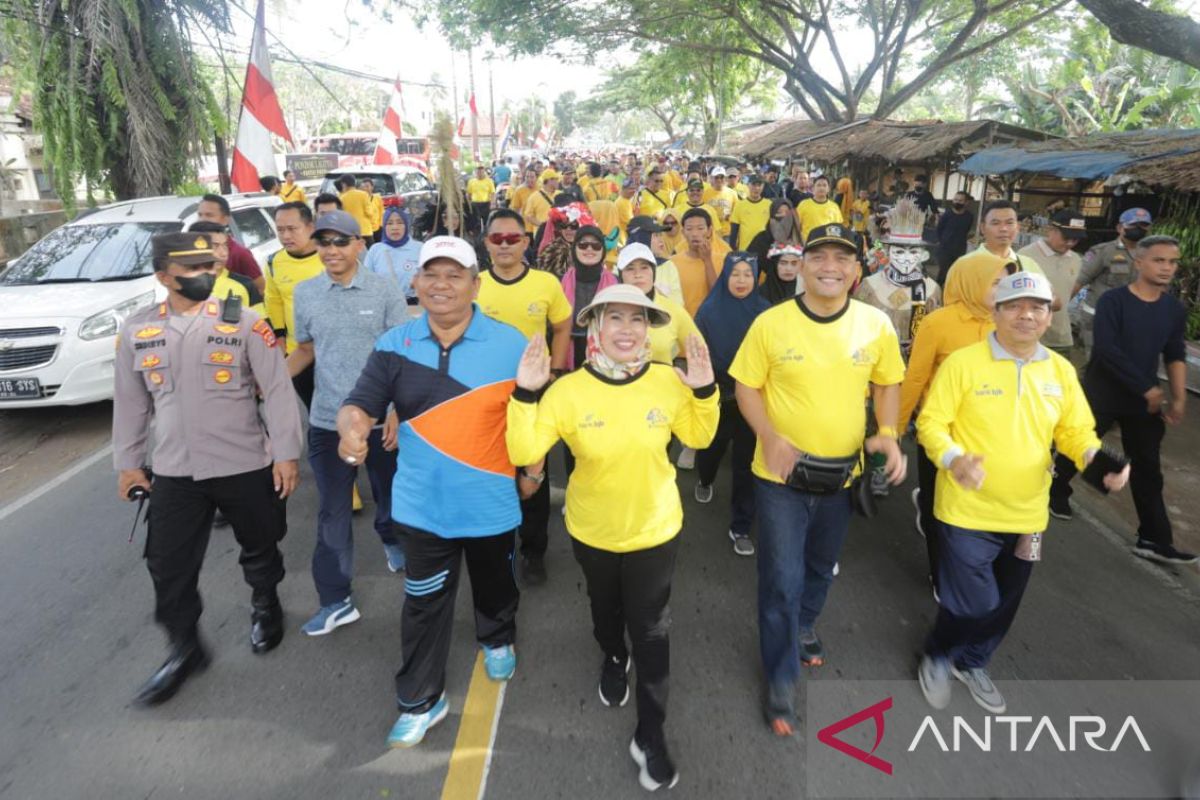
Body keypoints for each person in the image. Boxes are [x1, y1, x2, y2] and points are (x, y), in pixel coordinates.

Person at [506, 284, 719, 792]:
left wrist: (706, 390)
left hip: (655, 529)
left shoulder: (669, 381)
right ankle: (611, 655)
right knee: (607, 614)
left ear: (649, 330)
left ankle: (650, 736)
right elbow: (525, 446)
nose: (628, 330)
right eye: (615, 319)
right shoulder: (568, 390)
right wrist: (525, 392)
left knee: (652, 630)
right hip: (592, 531)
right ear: (595, 329)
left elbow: (701, 437)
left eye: (638, 320)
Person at [336, 236, 527, 748]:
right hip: (421, 509)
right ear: (415, 283)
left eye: (454, 275)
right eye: (431, 275)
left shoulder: (512, 345)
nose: (441, 285)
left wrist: (530, 473)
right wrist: (351, 428)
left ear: (475, 285)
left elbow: (533, 418)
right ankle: (420, 699)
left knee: (496, 587)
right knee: (422, 604)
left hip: (491, 503)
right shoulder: (393, 346)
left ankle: (497, 636)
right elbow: (360, 404)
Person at [916, 272, 1129, 715]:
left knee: (1008, 600)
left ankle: (973, 662)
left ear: (1048, 315)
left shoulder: (1059, 370)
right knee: (975, 599)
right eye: (1015, 306)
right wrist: (954, 458)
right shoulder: (963, 363)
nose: (1026, 315)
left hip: (1027, 513)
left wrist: (1095, 460)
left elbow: (1075, 430)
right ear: (996, 313)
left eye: (1036, 307)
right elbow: (931, 424)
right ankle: (938, 654)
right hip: (966, 508)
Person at [729, 223, 906, 736]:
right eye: (820, 257)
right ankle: (780, 679)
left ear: (856, 271)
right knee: (779, 579)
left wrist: (889, 434)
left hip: (842, 476)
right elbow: (746, 386)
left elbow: (888, 381)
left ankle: (806, 624)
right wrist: (768, 435)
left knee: (821, 568)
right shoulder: (771, 323)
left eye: (842, 259)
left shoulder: (875, 324)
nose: (831, 267)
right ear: (802, 266)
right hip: (779, 478)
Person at [112, 232, 302, 706]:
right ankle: (184, 647)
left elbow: (277, 390)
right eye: (193, 271)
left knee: (260, 544)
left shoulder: (244, 323)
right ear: (163, 277)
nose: (207, 275)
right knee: (167, 565)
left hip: (242, 462)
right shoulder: (138, 330)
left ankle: (265, 605)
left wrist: (285, 454)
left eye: (209, 268)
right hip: (176, 470)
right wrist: (129, 464)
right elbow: (132, 404)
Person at [286, 211, 409, 634]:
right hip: (326, 423)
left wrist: (395, 410)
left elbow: (401, 356)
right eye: (324, 242)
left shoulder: (384, 289)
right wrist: (267, 384)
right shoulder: (305, 293)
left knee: (390, 498)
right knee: (332, 512)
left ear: (360, 245)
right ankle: (336, 600)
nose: (331, 250)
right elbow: (305, 349)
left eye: (341, 242)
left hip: (379, 422)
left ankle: (392, 538)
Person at [1049, 235, 1198, 565]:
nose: (1167, 267)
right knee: (1080, 447)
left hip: (1143, 402)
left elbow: (1174, 354)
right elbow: (1106, 350)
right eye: (1159, 260)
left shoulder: (1173, 309)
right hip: (1104, 391)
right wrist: (1148, 389)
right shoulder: (1114, 301)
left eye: (1172, 262)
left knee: (1147, 466)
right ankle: (1055, 491)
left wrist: (1178, 398)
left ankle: (1154, 539)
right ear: (1139, 262)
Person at [899, 251, 1017, 593]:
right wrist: (892, 430)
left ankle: (971, 566)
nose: (1003, 289)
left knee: (978, 508)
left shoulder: (1009, 320)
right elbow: (916, 377)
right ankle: (941, 573)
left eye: (1006, 282)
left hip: (991, 436)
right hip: (942, 435)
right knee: (942, 514)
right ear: (971, 281)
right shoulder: (938, 323)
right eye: (996, 282)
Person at [478, 209, 573, 585]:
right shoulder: (475, 283)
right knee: (493, 470)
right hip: (484, 395)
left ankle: (534, 551)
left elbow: (562, 325)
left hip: (533, 394)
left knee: (533, 470)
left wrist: (555, 370)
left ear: (526, 242)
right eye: (496, 239)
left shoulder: (546, 284)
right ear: (486, 243)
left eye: (512, 238)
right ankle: (498, 544)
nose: (504, 245)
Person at [695, 253, 769, 556]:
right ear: (725, 276)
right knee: (712, 447)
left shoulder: (765, 313)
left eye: (747, 274)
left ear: (756, 278)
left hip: (752, 397)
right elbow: (700, 353)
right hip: (720, 394)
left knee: (746, 460)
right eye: (735, 274)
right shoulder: (708, 311)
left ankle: (740, 526)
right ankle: (705, 476)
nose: (741, 281)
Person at [854, 198, 943, 360]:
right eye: (900, 252)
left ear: (923, 255)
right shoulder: (870, 286)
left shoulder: (931, 290)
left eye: (913, 252)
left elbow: (938, 332)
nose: (907, 259)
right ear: (888, 251)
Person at [264, 202, 325, 410]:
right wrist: (279, 337)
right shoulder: (274, 262)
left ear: (311, 227)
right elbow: (274, 300)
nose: (286, 236)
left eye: (292, 229)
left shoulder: (331, 257)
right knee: (313, 409)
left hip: (332, 351)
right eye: (280, 230)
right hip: (297, 352)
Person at [1071, 207, 1153, 354]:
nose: (1139, 229)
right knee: (1098, 360)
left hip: (1131, 318)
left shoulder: (1151, 255)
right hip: (1099, 317)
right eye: (1133, 225)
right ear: (1120, 228)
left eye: (1143, 225)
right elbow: (1080, 281)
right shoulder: (1103, 251)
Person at [615, 242, 701, 366]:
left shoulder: (672, 310)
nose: (638, 274)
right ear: (621, 275)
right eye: (630, 268)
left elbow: (699, 351)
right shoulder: (608, 311)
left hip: (662, 383)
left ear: (653, 272)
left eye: (644, 267)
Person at [1018, 209, 1087, 356]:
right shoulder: (1025, 256)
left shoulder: (1075, 260)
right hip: (1031, 338)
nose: (1070, 243)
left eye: (1075, 239)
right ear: (1051, 230)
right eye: (1066, 237)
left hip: (1061, 339)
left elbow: (1069, 294)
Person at [562, 225, 619, 371]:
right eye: (583, 244)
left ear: (603, 250)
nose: (589, 249)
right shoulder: (560, 282)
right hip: (567, 356)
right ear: (574, 248)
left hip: (607, 359)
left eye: (596, 245)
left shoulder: (616, 284)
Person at [186, 221, 264, 316]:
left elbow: (261, 325)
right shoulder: (180, 286)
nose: (224, 253)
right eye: (215, 246)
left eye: (225, 245)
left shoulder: (245, 285)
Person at [196, 194, 264, 293]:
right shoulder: (191, 249)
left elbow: (260, 288)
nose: (202, 220)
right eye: (200, 215)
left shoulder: (240, 253)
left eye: (209, 215)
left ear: (225, 220)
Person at [668, 207, 724, 316]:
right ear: (683, 232)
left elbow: (717, 295)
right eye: (689, 229)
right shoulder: (672, 263)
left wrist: (707, 260)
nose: (694, 234)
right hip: (684, 324)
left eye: (700, 228)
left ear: (709, 231)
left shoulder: (722, 260)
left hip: (710, 323)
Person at [365, 207, 423, 312]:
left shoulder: (420, 248)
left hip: (414, 307)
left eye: (400, 222)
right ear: (384, 226)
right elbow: (366, 281)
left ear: (406, 225)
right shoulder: (376, 250)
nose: (395, 227)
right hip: (384, 307)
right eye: (389, 223)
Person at [975, 200, 1044, 276]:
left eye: (1009, 223)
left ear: (1017, 227)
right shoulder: (965, 266)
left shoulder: (1029, 266)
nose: (1003, 229)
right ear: (983, 228)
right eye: (996, 223)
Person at [626, 215, 683, 302]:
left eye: (661, 235)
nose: (661, 240)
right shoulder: (622, 268)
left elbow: (678, 304)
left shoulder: (668, 266)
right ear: (641, 238)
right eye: (656, 236)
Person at [747, 198, 802, 267]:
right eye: (779, 212)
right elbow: (749, 264)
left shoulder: (798, 238)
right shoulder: (761, 239)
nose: (784, 216)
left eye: (787, 212)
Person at [935, 191, 975, 284]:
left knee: (955, 273)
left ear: (966, 202)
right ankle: (939, 292)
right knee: (944, 272)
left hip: (959, 250)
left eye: (960, 200)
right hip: (944, 249)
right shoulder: (947, 215)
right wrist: (941, 241)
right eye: (955, 199)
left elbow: (966, 230)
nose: (957, 202)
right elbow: (939, 229)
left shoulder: (969, 216)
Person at [729, 174, 772, 252]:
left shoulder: (769, 204)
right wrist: (733, 248)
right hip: (745, 249)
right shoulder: (740, 205)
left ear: (763, 186)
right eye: (754, 185)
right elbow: (734, 229)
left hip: (764, 249)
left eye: (759, 185)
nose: (756, 188)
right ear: (748, 185)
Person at [795, 176, 844, 242]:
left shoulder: (834, 207)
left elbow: (837, 228)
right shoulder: (803, 205)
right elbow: (796, 226)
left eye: (824, 185)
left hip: (826, 245)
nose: (821, 188)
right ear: (813, 188)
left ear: (828, 189)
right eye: (818, 185)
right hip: (807, 244)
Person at [467, 165, 496, 234]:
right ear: (476, 172)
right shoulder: (471, 181)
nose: (480, 174)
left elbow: (493, 193)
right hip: (475, 204)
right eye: (478, 172)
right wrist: (468, 204)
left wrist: (492, 203)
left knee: (486, 222)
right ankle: (477, 236)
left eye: (481, 172)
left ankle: (486, 235)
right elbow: (468, 194)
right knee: (476, 222)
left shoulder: (489, 181)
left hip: (486, 204)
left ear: (484, 172)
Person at [362, 178, 384, 243]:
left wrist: (381, 225)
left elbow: (381, 211)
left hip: (377, 228)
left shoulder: (377, 198)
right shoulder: (361, 199)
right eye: (363, 187)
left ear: (372, 187)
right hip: (366, 230)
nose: (365, 189)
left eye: (367, 186)